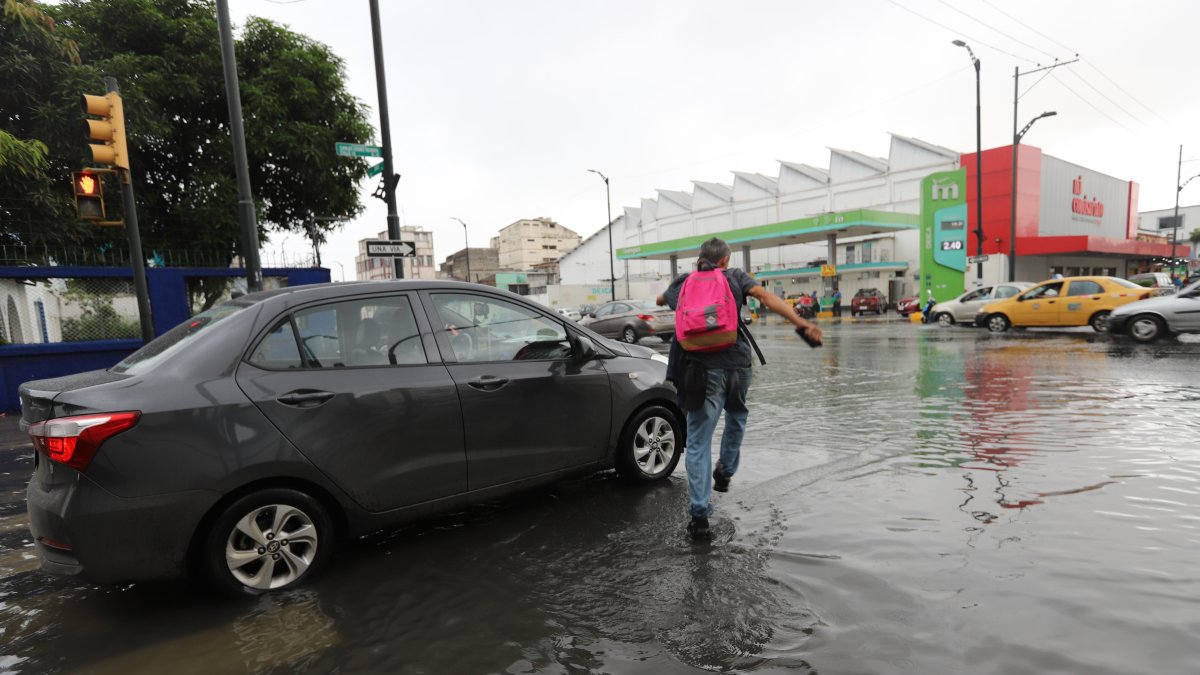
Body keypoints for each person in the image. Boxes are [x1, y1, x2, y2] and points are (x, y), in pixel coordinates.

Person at [656, 237, 822, 540]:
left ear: (700, 259)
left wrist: (668, 294)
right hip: (738, 365)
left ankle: (699, 516)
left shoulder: (685, 282)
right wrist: (801, 323)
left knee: (698, 441)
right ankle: (726, 470)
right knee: (737, 414)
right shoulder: (734, 277)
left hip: (702, 372)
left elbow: (661, 299)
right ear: (725, 260)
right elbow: (765, 297)